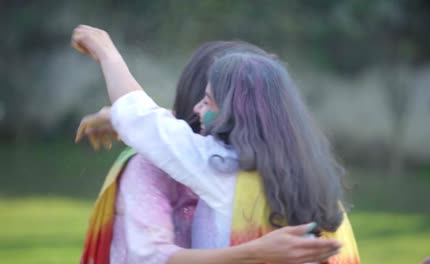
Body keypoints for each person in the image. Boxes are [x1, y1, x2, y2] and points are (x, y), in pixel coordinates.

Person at [72, 25, 359, 264]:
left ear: (235, 114)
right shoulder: (311, 177)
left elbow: (144, 121)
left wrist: (106, 53)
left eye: (208, 100)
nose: (197, 108)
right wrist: (116, 119)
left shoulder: (220, 168)